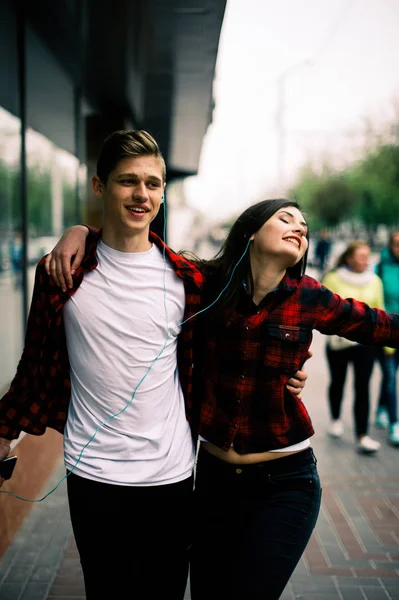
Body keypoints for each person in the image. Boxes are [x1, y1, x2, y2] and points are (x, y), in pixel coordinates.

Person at [18, 198, 399, 600]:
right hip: (214, 482)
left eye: (303, 225)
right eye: (285, 218)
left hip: (285, 482)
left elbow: (379, 326)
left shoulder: (310, 297)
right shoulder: (205, 284)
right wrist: (81, 232)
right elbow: (141, 250)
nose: (299, 228)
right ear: (250, 232)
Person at [0, 131, 307, 599]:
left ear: (163, 192)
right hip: (93, 477)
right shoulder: (61, 273)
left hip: (172, 476)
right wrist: (3, 436)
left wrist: (286, 370)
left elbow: (246, 327)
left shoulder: (190, 279)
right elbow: (33, 366)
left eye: (153, 183)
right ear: (99, 186)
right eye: (128, 182)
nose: (142, 194)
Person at [322, 241, 385, 454]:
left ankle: (362, 435)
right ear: (349, 258)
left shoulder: (375, 281)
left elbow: (380, 311)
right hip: (339, 342)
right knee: (338, 382)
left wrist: (386, 344)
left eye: (367, 256)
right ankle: (335, 418)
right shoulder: (333, 278)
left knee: (363, 387)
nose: (365, 260)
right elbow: (327, 310)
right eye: (361, 256)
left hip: (365, 344)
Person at [374, 231, 399, 446]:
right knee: (390, 378)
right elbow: (375, 298)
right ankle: (394, 424)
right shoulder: (381, 267)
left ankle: (381, 408)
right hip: (388, 332)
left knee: (390, 377)